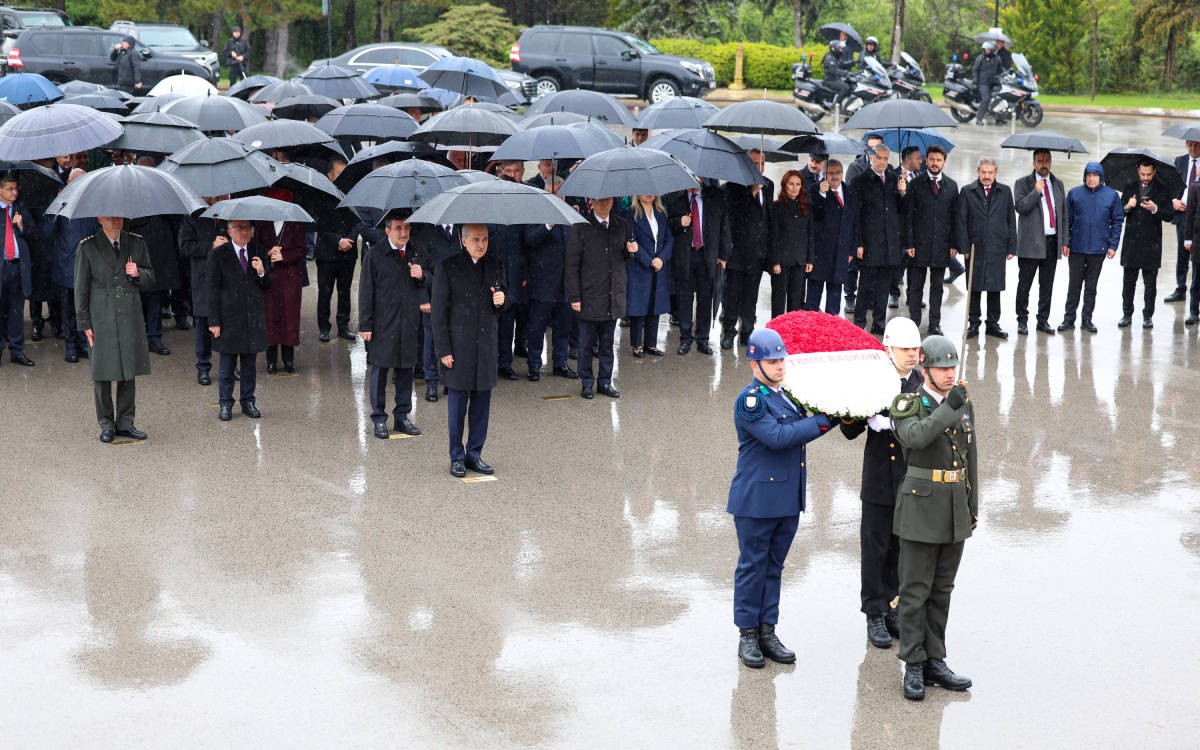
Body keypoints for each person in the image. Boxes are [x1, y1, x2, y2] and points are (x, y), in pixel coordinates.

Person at [727, 328, 833, 668]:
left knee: (774, 566)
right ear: (754, 364)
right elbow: (778, 437)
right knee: (752, 567)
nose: (779, 366)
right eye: (772, 361)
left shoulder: (789, 395)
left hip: (787, 498)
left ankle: (767, 630)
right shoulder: (751, 400)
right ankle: (747, 634)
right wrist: (824, 422)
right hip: (757, 500)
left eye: (782, 360)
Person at [890, 335, 978, 701]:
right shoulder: (908, 403)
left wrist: (972, 507)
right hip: (920, 508)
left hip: (954, 507)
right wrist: (948, 408)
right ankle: (913, 663)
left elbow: (971, 458)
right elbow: (915, 437)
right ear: (925, 369)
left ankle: (935, 660)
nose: (949, 374)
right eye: (941, 368)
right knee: (915, 591)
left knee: (942, 589)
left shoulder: (962, 401)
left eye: (952, 367)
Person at [840, 317, 925, 649]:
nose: (912, 354)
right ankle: (874, 612)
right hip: (878, 478)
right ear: (889, 349)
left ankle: (892, 606)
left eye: (915, 348)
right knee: (875, 548)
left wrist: (895, 423)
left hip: (909, 477)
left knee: (900, 548)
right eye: (905, 349)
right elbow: (849, 430)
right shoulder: (874, 380)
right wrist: (858, 410)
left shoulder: (921, 382)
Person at [431, 224, 507, 477]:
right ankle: (456, 456)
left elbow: (503, 302)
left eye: (484, 239)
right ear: (463, 241)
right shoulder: (448, 267)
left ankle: (475, 454)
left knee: (481, 406)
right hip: (458, 347)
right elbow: (438, 313)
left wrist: (502, 300)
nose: (481, 244)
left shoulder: (495, 265)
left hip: (485, 346)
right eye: (475, 239)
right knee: (457, 407)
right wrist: (443, 349)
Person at [75, 217, 154, 442]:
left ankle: (126, 422)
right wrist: (85, 323)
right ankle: (106, 423)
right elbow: (80, 289)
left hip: (129, 311)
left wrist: (138, 273)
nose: (116, 220)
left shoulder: (136, 242)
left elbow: (151, 278)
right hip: (101, 313)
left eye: (119, 216)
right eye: (110, 217)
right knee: (102, 371)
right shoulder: (87, 246)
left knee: (128, 369)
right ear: (100, 219)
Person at [359, 212, 424, 439]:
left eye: (406, 228)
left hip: (408, 321)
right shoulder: (375, 254)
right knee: (379, 371)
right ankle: (379, 418)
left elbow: (433, 277)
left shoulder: (417, 252)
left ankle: (402, 417)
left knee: (406, 370)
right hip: (382, 323)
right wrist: (365, 324)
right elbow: (365, 291)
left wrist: (423, 275)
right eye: (398, 228)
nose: (403, 233)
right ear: (387, 230)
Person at [565, 196, 635, 399]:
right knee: (586, 344)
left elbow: (626, 257)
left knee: (607, 344)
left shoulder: (622, 225)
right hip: (589, 294)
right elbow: (572, 265)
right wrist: (574, 296)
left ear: (612, 201)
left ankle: (605, 382)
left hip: (613, 295)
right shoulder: (581, 227)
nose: (604, 203)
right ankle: (587, 382)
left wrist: (631, 251)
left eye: (608, 200)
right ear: (592, 202)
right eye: (599, 200)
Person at [207, 219, 270, 421]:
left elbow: (267, 285)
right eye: (240, 228)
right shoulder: (218, 254)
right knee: (227, 364)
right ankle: (225, 403)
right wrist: (213, 321)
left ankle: (248, 401)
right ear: (229, 231)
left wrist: (261, 271)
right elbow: (212, 289)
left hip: (252, 317)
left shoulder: (259, 250)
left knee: (249, 364)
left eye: (248, 228)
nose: (245, 232)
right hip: (228, 317)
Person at [664, 182, 731, 355]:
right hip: (684, 256)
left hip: (707, 255)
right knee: (684, 299)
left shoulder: (714, 197)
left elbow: (724, 226)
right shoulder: (674, 198)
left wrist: (723, 255)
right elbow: (665, 225)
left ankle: (703, 339)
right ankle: (686, 339)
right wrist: (679, 222)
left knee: (705, 299)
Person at [522, 177, 576, 380]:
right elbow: (530, 240)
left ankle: (560, 363)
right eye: (553, 193)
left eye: (560, 194)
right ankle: (534, 364)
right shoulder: (536, 214)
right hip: (543, 282)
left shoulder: (570, 215)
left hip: (565, 283)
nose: (557, 198)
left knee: (563, 327)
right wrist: (548, 225)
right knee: (537, 327)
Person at [904, 145, 961, 335]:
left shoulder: (951, 186)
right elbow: (908, 216)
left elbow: (955, 217)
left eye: (938, 160)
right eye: (932, 159)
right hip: (919, 244)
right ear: (926, 160)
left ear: (944, 161)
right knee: (916, 286)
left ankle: (934, 324)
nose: (935, 163)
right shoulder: (916, 184)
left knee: (937, 287)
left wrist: (954, 244)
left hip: (941, 245)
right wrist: (909, 243)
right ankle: (914, 322)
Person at [1059, 162, 1123, 333]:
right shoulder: (1074, 194)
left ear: (1101, 177)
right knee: (1074, 286)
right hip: (1077, 248)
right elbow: (1067, 220)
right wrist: (1066, 242)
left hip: (1098, 249)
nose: (1091, 178)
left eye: (1095, 175)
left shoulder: (1111, 196)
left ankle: (1087, 320)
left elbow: (1117, 221)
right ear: (1084, 176)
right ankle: (1068, 319)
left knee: (1091, 287)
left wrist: (1113, 245)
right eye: (1088, 175)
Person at [852, 144, 907, 334]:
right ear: (871, 158)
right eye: (878, 158)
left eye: (885, 158)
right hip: (869, 242)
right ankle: (859, 322)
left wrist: (902, 193)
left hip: (890, 243)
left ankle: (879, 321)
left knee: (884, 286)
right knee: (865, 285)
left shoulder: (894, 179)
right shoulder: (860, 181)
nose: (882, 162)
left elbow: (901, 210)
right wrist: (858, 242)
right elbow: (856, 215)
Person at [721, 149, 773, 349]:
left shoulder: (768, 185)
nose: (758, 167)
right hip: (737, 252)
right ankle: (729, 332)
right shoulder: (733, 186)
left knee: (751, 297)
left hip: (757, 253)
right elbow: (733, 217)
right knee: (733, 295)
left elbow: (767, 218)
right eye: (754, 163)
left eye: (761, 163)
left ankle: (747, 332)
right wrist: (751, 193)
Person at [1013, 149, 1068, 335]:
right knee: (1024, 285)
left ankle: (1042, 320)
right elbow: (1021, 207)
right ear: (1033, 163)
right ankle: (1022, 320)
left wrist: (1064, 241)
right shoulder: (1022, 183)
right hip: (1030, 243)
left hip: (1051, 242)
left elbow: (1063, 215)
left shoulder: (1058, 184)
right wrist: (1036, 191)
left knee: (1047, 285)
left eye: (1047, 160)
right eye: (1040, 161)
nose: (1044, 164)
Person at [959, 157, 1015, 339]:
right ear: (978, 172)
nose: (987, 176)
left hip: (997, 245)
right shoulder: (967, 191)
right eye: (983, 172)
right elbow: (962, 221)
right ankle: (973, 323)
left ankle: (992, 324)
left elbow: (1011, 220)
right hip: (975, 247)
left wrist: (1011, 247)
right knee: (974, 286)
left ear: (995, 173)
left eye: (990, 172)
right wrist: (964, 247)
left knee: (994, 287)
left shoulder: (1004, 191)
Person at [45, 169, 97, 363]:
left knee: (84, 308)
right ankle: (71, 345)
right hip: (66, 266)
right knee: (68, 310)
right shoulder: (60, 205)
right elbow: (46, 233)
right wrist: (58, 207)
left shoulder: (92, 205)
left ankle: (83, 342)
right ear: (68, 184)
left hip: (88, 265)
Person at [1118, 161, 1175, 329]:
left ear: (1154, 172)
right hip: (1132, 242)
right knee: (1128, 283)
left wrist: (1155, 208)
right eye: (1143, 174)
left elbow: (1170, 215)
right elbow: (1119, 212)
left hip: (1152, 243)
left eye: (1149, 174)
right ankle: (1127, 314)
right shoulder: (1129, 186)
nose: (1145, 177)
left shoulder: (1162, 189)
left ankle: (1148, 315)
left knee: (1150, 284)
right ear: (1138, 171)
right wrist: (1128, 206)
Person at [255, 189, 306, 374]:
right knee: (270, 317)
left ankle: (288, 359)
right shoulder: (262, 222)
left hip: (290, 277)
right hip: (269, 278)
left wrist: (285, 256)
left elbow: (302, 250)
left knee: (289, 317)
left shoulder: (296, 222)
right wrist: (268, 252)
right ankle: (271, 360)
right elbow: (255, 246)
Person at [177, 196, 226, 385]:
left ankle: (230, 365)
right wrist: (211, 246)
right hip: (203, 277)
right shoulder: (193, 216)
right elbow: (185, 246)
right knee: (204, 324)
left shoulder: (227, 212)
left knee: (229, 322)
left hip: (226, 277)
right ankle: (203, 367)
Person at [314, 157, 357, 343]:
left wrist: (349, 239)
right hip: (327, 253)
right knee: (325, 292)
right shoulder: (320, 195)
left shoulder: (353, 193)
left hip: (349, 251)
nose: (342, 177)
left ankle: (343, 326)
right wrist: (338, 240)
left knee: (345, 291)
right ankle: (324, 328)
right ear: (330, 175)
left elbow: (359, 221)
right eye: (339, 173)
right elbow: (320, 225)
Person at [624, 194, 673, 357]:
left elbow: (669, 239)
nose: (648, 193)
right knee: (638, 307)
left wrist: (661, 259)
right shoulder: (630, 213)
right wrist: (650, 261)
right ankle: (637, 344)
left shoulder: (661, 213)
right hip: (640, 267)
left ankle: (651, 344)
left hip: (659, 266)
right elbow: (632, 242)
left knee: (655, 305)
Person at [807, 158, 857, 314]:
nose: (835, 176)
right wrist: (821, 195)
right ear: (824, 174)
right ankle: (811, 327)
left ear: (842, 173)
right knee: (813, 300)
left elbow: (854, 222)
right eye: (831, 173)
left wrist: (852, 249)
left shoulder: (850, 192)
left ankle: (831, 327)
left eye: (838, 173)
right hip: (820, 252)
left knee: (834, 302)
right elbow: (814, 216)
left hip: (841, 252)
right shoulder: (814, 190)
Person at [0, 172, 35, 367]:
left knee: (16, 311)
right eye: (10, 189)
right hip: (2, 268)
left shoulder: (21, 209)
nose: (14, 192)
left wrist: (22, 227)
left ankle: (17, 351)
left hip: (17, 267)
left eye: (15, 188)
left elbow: (34, 234)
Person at [769, 170, 813, 318]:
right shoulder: (777, 207)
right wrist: (775, 261)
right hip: (781, 262)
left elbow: (810, 235)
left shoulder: (806, 207)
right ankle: (776, 329)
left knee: (795, 302)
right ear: (785, 185)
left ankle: (791, 330)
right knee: (778, 301)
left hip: (799, 261)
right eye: (791, 184)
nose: (794, 188)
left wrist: (810, 259)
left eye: (798, 184)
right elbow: (773, 236)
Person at [1166, 141, 1200, 304]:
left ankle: (1196, 290)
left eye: (1196, 145)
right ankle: (1180, 288)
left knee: (1197, 254)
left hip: (1198, 214)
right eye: (1189, 145)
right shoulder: (1180, 161)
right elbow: (1170, 185)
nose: (1192, 148)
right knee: (1182, 251)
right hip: (1182, 212)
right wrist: (1174, 200)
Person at [972, 42, 1003, 125]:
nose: (986, 51)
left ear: (993, 50)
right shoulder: (980, 58)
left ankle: (999, 117)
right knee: (986, 99)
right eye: (986, 49)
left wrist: (1007, 73)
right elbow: (975, 70)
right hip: (983, 83)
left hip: (994, 82)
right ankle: (979, 119)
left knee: (1001, 96)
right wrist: (975, 81)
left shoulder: (997, 59)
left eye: (988, 49)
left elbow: (1001, 70)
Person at [822, 40, 852, 106]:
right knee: (845, 87)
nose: (841, 50)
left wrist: (854, 62)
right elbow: (834, 70)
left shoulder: (835, 57)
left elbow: (842, 64)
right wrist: (845, 73)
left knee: (850, 83)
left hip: (835, 79)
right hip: (830, 80)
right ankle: (836, 104)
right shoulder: (830, 58)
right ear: (834, 49)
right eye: (840, 49)